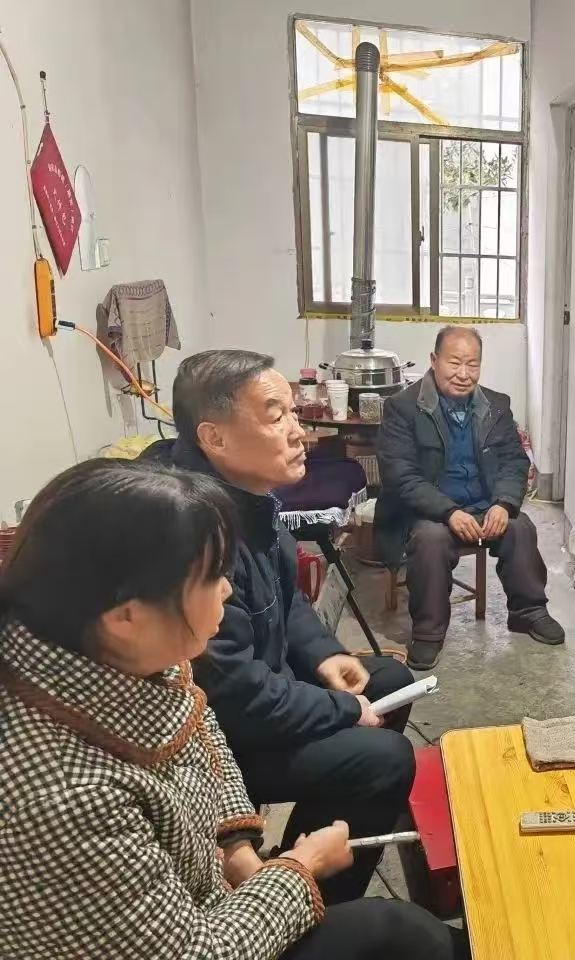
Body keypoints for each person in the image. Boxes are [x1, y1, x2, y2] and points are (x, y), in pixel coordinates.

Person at [0, 459, 467, 960]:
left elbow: (201, 732)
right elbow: (195, 953)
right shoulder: (63, 797)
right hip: (194, 938)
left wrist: (238, 851)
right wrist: (300, 870)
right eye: (213, 578)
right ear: (127, 617)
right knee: (399, 934)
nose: (227, 588)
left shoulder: (129, 651)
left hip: (205, 892)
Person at [144, 349, 417, 905]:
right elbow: (235, 694)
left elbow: (286, 597)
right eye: (276, 417)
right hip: (221, 738)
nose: (299, 433)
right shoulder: (192, 530)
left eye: (294, 412)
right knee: (383, 757)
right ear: (214, 438)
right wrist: (341, 710)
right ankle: (307, 904)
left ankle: (301, 853)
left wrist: (324, 655)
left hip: (253, 690)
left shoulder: (249, 498)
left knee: (386, 681)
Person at [376, 326, 563, 670]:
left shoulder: (496, 405)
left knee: (521, 527)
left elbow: (514, 461)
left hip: (483, 505)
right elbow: (400, 476)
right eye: (454, 363)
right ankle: (428, 632)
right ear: (434, 361)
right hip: (430, 511)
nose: (464, 374)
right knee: (430, 540)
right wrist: (448, 512)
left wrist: (503, 503)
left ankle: (528, 611)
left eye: (472, 364)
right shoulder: (402, 408)